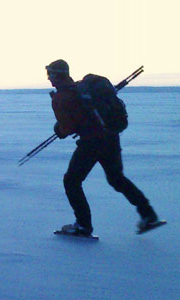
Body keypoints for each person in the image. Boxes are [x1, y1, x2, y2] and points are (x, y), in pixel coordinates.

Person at [46, 59, 159, 236]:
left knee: (71, 181)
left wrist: (58, 129)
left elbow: (67, 128)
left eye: (49, 74)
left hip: (91, 143)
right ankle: (148, 213)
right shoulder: (80, 89)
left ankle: (83, 226)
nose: (48, 79)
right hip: (110, 137)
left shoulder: (62, 97)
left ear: (55, 76)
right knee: (116, 178)